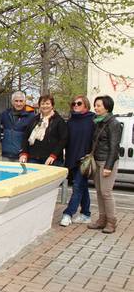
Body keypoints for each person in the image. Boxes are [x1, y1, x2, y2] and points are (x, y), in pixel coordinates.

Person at [87, 95, 122, 234]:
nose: (96, 108)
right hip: (97, 160)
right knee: (100, 193)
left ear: (107, 107)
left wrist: (108, 166)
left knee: (106, 192)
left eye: (99, 105)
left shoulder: (114, 123)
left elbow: (114, 146)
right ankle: (102, 220)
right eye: (95, 105)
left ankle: (111, 222)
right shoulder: (98, 121)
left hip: (107, 161)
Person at [60, 95, 95, 227]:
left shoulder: (93, 120)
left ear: (85, 105)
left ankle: (68, 213)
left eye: (79, 103)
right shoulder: (70, 121)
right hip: (71, 158)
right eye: (73, 103)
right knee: (82, 187)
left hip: (85, 160)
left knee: (77, 186)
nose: (75, 105)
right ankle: (86, 213)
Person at [19, 95, 67, 166]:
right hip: (34, 158)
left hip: (52, 160)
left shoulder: (59, 121)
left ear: (52, 105)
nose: (45, 106)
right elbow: (26, 137)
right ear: (39, 106)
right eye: (42, 104)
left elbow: (63, 140)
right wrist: (24, 153)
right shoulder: (34, 120)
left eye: (47, 104)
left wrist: (53, 155)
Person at [0, 91, 35, 162]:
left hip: (22, 155)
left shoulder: (31, 116)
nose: (18, 104)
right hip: (6, 154)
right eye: (16, 101)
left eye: (21, 101)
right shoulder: (4, 115)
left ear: (25, 102)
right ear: (12, 102)